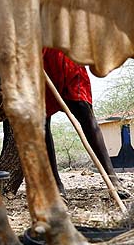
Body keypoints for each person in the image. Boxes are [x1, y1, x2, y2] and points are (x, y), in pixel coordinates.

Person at [42, 47, 125, 196]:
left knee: (85, 112)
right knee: (42, 121)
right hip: (40, 63)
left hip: (68, 57)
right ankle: (57, 187)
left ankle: (113, 180)